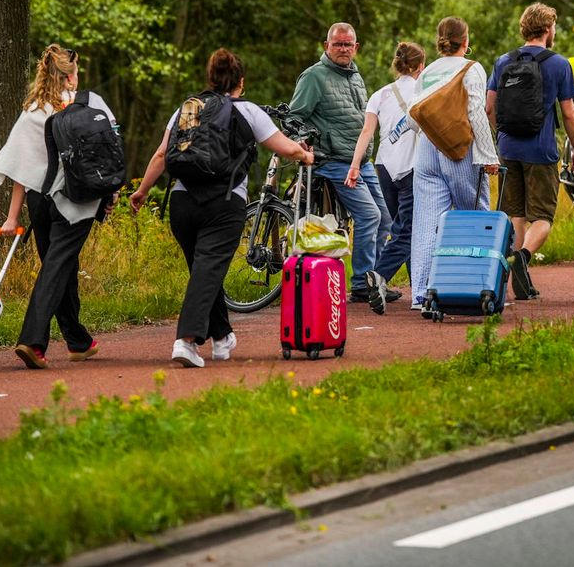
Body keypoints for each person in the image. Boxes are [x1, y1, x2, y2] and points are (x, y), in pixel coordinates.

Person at [130, 48, 315, 367]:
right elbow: (282, 146)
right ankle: (186, 341)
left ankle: (221, 337)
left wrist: (142, 191)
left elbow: (162, 155)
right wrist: (305, 156)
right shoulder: (248, 110)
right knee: (207, 269)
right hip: (224, 203)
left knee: (204, 268)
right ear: (240, 81)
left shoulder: (187, 108)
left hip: (182, 201)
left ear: (210, 79)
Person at [0, 44, 115, 369]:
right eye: (77, 72)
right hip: (75, 198)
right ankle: (33, 340)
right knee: (57, 266)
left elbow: (19, 169)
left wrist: (13, 216)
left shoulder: (33, 111)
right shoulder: (89, 105)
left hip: (40, 201)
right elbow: (108, 153)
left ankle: (77, 341)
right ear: (70, 75)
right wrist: (109, 195)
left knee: (61, 265)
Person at [287, 22, 399, 313]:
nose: (343, 49)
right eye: (338, 44)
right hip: (333, 160)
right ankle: (362, 283)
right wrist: (304, 142)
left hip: (361, 161)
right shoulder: (314, 76)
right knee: (370, 215)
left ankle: (375, 279)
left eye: (348, 44)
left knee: (387, 217)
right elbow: (293, 117)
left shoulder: (355, 75)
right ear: (326, 46)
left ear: (356, 47)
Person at [486, 3, 574, 300]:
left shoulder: (504, 61)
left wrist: (500, 137)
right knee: (542, 217)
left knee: (515, 212)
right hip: (540, 150)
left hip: (508, 148)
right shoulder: (558, 64)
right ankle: (522, 259)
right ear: (546, 29)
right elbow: (569, 114)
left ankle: (519, 278)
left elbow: (490, 107)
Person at [408, 17, 499, 311]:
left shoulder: (428, 72)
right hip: (459, 151)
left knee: (427, 222)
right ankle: (479, 285)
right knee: (475, 216)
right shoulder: (471, 68)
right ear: (466, 41)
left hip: (425, 149)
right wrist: (488, 156)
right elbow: (476, 112)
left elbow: (412, 118)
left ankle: (421, 293)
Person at [346, 42, 425, 302]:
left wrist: (356, 165)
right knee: (409, 231)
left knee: (402, 228)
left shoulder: (379, 94)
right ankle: (378, 275)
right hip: (413, 166)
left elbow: (366, 133)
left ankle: (419, 291)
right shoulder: (425, 91)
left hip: (383, 167)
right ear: (420, 66)